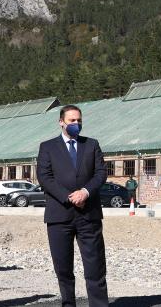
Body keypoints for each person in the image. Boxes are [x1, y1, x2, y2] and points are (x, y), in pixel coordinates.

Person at [37, 105, 109, 307]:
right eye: (72, 121)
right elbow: (44, 177)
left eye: (79, 120)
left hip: (89, 214)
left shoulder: (92, 145)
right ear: (61, 122)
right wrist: (69, 197)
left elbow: (100, 173)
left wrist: (85, 192)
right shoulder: (47, 147)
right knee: (63, 268)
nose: (76, 124)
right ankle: (68, 304)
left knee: (95, 267)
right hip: (59, 215)